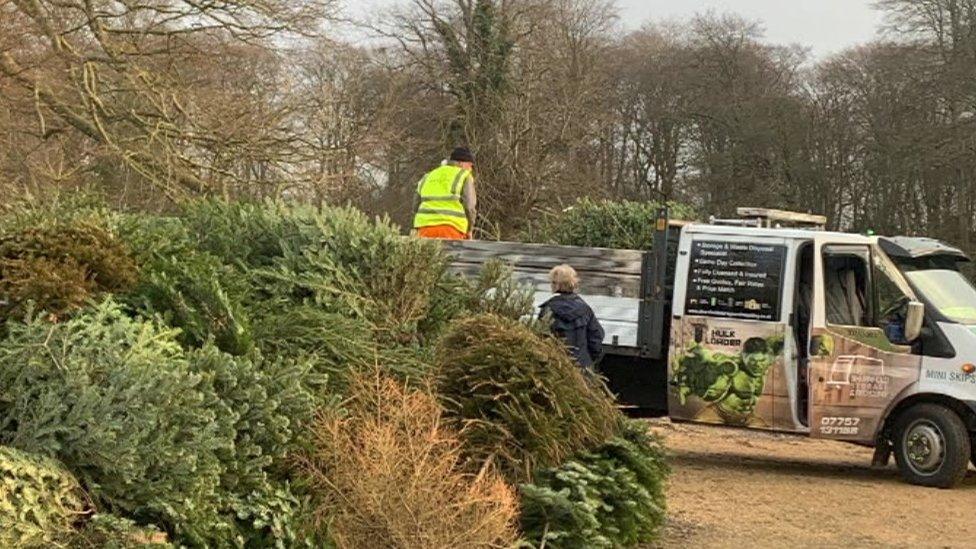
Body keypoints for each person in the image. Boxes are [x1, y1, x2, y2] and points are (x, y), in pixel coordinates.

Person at [539, 264, 605, 370]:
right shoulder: (585, 309)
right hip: (583, 369)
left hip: (557, 370)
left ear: (556, 285)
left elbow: (541, 341)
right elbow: (596, 337)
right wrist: (588, 360)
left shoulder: (547, 310)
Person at [413, 147, 477, 240]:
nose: (471, 169)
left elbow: (415, 205)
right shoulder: (464, 176)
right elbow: (469, 206)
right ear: (461, 163)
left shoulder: (428, 176)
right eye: (470, 165)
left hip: (424, 228)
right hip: (451, 228)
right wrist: (469, 229)